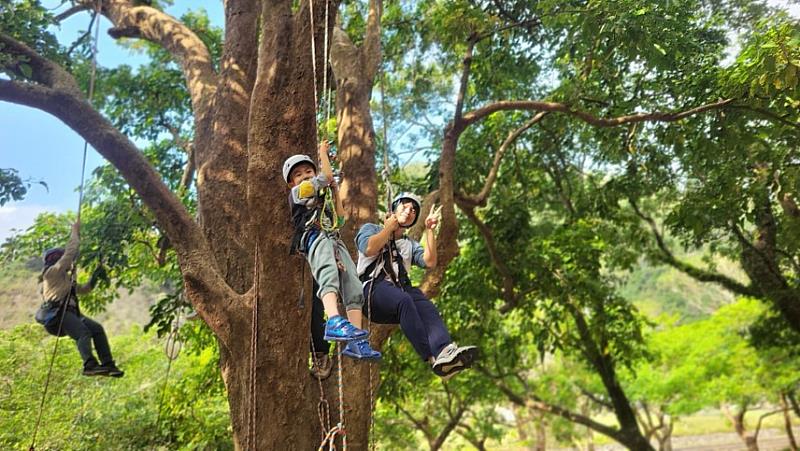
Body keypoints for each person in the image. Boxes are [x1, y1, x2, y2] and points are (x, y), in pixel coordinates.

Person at [356, 193, 478, 379]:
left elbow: (430, 262)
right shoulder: (371, 229)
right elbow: (369, 249)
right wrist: (388, 228)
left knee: (424, 304)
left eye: (413, 210)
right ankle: (431, 357)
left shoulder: (409, 245)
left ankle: (444, 352)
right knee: (404, 299)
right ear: (394, 208)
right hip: (372, 291)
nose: (409, 211)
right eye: (405, 206)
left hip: (397, 294)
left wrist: (430, 230)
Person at [284, 141, 381, 360]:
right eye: (298, 174)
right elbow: (326, 177)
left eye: (309, 171)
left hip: (333, 239)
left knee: (354, 284)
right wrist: (322, 154)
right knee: (327, 272)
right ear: (292, 183)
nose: (305, 176)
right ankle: (334, 320)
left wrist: (335, 191)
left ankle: (357, 342)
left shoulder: (320, 195)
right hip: (315, 237)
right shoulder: (299, 192)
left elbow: (339, 217)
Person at [39, 221, 124, 377]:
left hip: (71, 313)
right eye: (57, 257)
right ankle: (89, 365)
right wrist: (75, 232)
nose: (61, 259)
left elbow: (85, 289)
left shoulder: (66, 280)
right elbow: (70, 253)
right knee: (83, 333)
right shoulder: (51, 273)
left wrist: (96, 276)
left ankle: (108, 364)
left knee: (97, 329)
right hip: (60, 313)